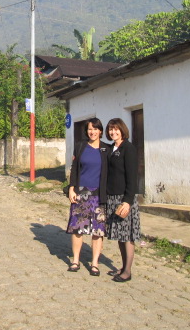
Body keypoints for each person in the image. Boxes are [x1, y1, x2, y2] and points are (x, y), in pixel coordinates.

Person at [65, 118, 110, 276]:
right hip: (81, 193)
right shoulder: (80, 147)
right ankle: (75, 260)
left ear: (100, 131)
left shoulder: (106, 149)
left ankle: (95, 263)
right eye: (90, 129)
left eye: (96, 129)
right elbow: (75, 169)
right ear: (87, 131)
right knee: (78, 228)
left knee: (98, 231)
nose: (93, 132)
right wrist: (72, 188)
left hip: (99, 195)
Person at [105, 117, 141, 283]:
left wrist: (127, 200)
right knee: (120, 234)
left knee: (127, 235)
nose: (113, 132)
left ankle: (127, 271)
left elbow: (133, 177)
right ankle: (123, 266)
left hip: (124, 198)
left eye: (116, 129)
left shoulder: (128, 148)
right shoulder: (111, 148)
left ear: (122, 130)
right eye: (111, 129)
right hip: (112, 197)